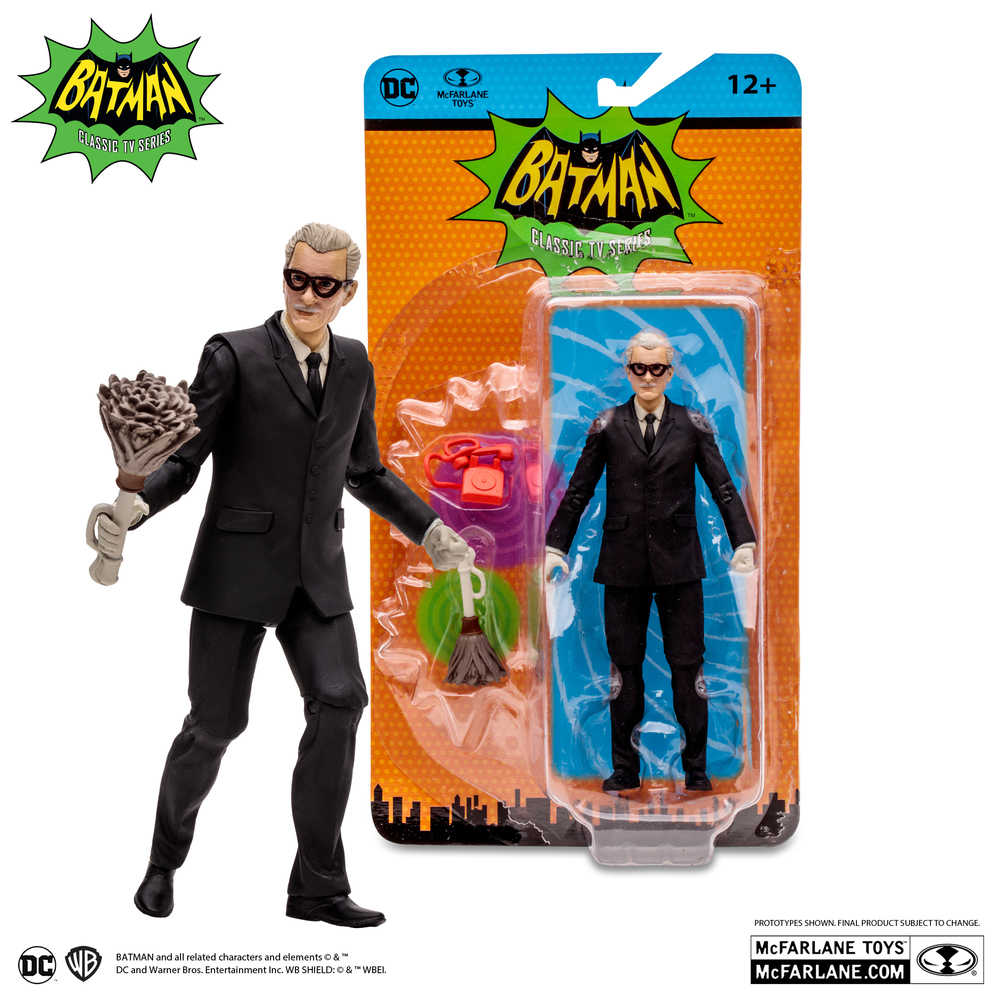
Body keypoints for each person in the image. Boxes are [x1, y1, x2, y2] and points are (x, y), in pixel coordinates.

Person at [89, 223, 471, 926]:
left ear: (347, 292)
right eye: (297, 279)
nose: (307, 295)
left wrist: (430, 528)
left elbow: (365, 472)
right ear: (284, 275)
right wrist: (137, 508)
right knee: (215, 724)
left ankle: (317, 887)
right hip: (236, 570)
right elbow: (185, 456)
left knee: (341, 700)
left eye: (325, 285)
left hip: (316, 572)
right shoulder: (232, 355)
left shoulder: (353, 363)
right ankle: (163, 862)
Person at [544, 329, 756, 794]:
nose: (647, 377)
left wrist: (743, 541)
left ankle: (696, 769)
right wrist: (556, 546)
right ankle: (625, 768)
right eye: (639, 368)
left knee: (688, 669)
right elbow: (578, 490)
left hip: (681, 565)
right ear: (627, 370)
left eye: (656, 368)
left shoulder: (692, 425)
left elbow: (723, 486)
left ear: (670, 372)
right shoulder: (607, 425)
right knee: (624, 672)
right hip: (622, 565)